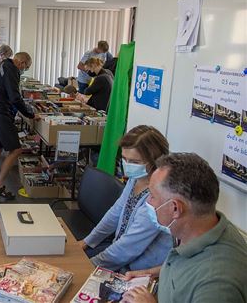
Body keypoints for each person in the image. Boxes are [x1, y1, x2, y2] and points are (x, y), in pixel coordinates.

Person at [122, 153, 247, 303]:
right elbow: (186, 267)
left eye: (152, 196)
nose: (148, 201)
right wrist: (150, 274)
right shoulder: (207, 227)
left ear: (175, 208)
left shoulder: (216, 286)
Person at [80, 125, 172, 272]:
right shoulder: (136, 178)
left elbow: (129, 247)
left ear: (155, 161)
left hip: (136, 268)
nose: (128, 166)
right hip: (118, 252)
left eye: (135, 162)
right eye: (124, 159)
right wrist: (86, 242)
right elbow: (116, 212)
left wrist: (89, 266)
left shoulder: (158, 197)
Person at [0, 52, 37, 200]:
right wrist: (30, 113)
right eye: (26, 66)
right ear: (22, 62)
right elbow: (14, 97)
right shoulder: (11, 69)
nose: (24, 69)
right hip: (0, 113)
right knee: (16, 149)